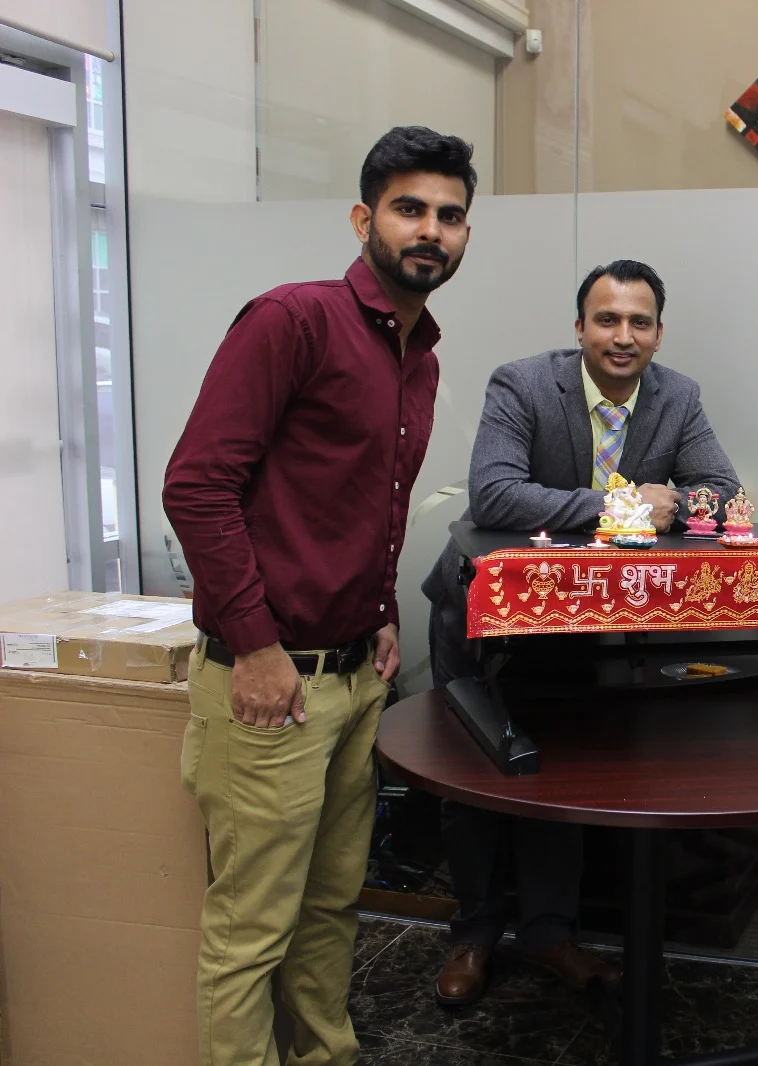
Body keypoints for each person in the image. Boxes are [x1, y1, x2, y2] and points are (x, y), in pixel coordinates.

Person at [163, 126, 475, 1066]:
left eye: (450, 215)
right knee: (252, 930)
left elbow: (360, 501)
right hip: (269, 686)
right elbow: (197, 486)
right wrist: (257, 647)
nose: (431, 231)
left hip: (350, 680)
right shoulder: (292, 320)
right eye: (409, 209)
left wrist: (379, 611)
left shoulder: (419, 355)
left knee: (333, 904)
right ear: (363, 219)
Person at [421, 258, 740, 1007]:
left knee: (559, 773)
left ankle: (549, 934)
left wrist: (678, 501)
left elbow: (720, 491)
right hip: (481, 610)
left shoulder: (677, 396)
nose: (623, 336)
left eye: (639, 322)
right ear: (579, 328)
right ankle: (474, 933)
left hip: (577, 620)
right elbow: (495, 495)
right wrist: (625, 508)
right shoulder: (523, 384)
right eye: (607, 319)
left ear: (658, 333)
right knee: (475, 775)